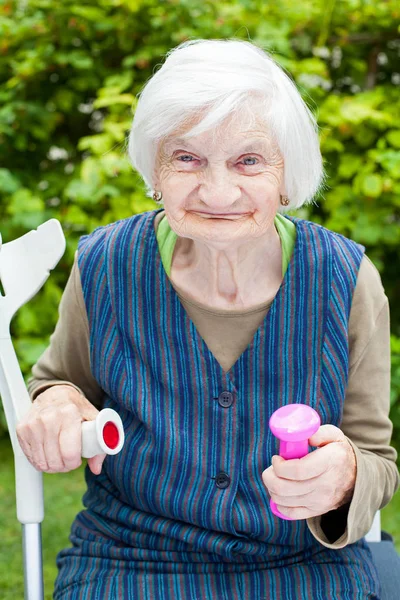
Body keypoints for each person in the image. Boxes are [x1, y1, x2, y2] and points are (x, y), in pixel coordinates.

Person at [17, 38, 398, 599]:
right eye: (187, 158)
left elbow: (376, 459)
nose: (218, 191)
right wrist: (57, 401)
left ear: (287, 174)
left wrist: (344, 479)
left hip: (297, 565)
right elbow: (58, 383)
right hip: (131, 558)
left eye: (248, 160)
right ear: (155, 168)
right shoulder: (105, 263)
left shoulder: (346, 279)